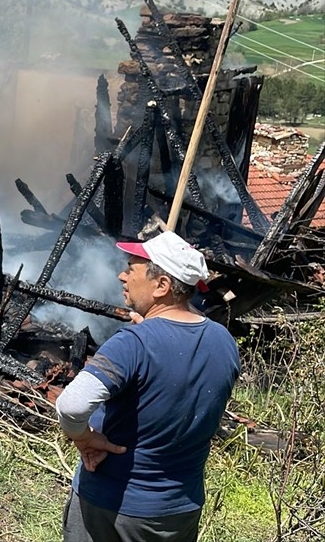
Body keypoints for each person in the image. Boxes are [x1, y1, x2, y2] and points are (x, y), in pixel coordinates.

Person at [56, 231, 240, 542]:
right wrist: (151, 336)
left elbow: (71, 405)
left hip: (112, 505)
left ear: (162, 286)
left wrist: (84, 438)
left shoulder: (134, 343)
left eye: (131, 268)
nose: (121, 275)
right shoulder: (224, 341)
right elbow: (176, 379)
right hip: (179, 509)